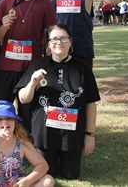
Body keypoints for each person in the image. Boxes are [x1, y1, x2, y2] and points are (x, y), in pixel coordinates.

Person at [15, 23, 99, 180]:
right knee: (48, 173)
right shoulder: (38, 66)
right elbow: (23, 98)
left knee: (71, 175)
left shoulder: (82, 68)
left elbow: (91, 103)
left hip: (72, 134)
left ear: (71, 41)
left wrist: (90, 134)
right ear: (48, 44)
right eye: (54, 39)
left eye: (63, 38)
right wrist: (32, 83)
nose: (58, 42)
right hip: (44, 135)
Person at [0, 0, 57, 132]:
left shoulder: (44, 3)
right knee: (2, 109)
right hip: (6, 66)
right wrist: (4, 25)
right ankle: (2, 148)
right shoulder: (5, 3)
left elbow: (49, 34)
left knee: (28, 112)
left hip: (32, 66)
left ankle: (28, 149)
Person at [0, 100, 55, 187]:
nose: (5, 121)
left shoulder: (21, 142)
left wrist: (27, 181)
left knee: (48, 180)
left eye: (9, 117)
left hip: (15, 182)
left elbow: (43, 165)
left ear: (15, 123)